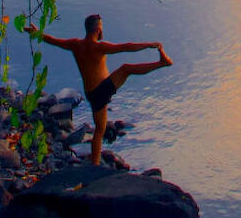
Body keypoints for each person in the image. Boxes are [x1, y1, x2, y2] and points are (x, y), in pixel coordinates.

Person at [30, 13, 172, 165]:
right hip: (102, 90)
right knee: (126, 69)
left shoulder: (75, 44)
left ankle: (95, 162)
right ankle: (161, 63)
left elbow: (54, 41)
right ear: (98, 30)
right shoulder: (99, 47)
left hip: (91, 93)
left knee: (99, 130)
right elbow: (126, 47)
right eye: (101, 27)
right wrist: (149, 45)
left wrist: (38, 33)